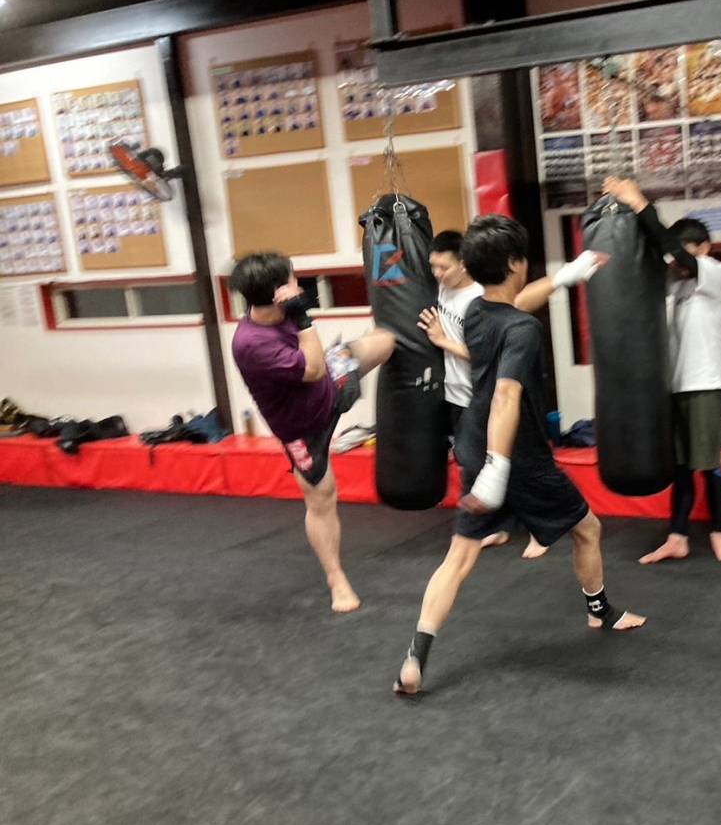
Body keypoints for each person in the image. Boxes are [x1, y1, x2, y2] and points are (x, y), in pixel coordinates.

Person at [395, 215, 644, 695]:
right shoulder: (524, 331)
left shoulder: (475, 311)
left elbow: (517, 304)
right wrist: (499, 465)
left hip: (472, 443)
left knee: (459, 557)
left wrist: (566, 276)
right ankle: (601, 612)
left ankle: (415, 656)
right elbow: (507, 395)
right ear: (514, 263)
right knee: (587, 529)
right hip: (517, 455)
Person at [230, 252, 396, 613]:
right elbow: (314, 369)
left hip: (331, 385)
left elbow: (322, 366)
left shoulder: (281, 311)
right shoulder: (252, 343)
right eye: (292, 279)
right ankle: (337, 579)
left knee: (385, 341)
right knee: (322, 499)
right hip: (303, 428)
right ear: (279, 293)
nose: (298, 283)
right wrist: (303, 316)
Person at [601, 176, 721, 564]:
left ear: (704, 248)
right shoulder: (675, 283)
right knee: (680, 469)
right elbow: (645, 269)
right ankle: (677, 537)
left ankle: (719, 535)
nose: (675, 264)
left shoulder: (717, 273)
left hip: (706, 385)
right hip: (673, 388)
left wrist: (639, 202)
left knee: (708, 467)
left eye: (684, 254)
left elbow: (674, 252)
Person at [418, 230, 547, 559]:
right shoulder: (442, 290)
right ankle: (498, 525)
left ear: (464, 264)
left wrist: (442, 340)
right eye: (433, 266)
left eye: (443, 267)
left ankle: (540, 529)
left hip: (487, 394)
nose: (437, 273)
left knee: (516, 463)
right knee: (472, 462)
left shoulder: (479, 301)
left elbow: (486, 355)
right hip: (458, 394)